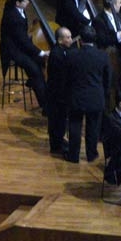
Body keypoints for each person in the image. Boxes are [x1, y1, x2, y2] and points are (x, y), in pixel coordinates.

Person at [65, 25, 111, 163]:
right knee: (93, 127)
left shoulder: (72, 54)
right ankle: (91, 154)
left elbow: (67, 77)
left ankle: (73, 155)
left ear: (80, 39)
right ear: (94, 39)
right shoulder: (103, 55)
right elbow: (107, 79)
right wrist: (104, 93)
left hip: (76, 96)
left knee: (75, 126)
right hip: (95, 96)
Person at [0, 0, 49, 113]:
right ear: (17, 3)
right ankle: (46, 106)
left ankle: (35, 84)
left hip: (20, 46)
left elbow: (24, 41)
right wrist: (41, 52)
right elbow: (23, 41)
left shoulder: (17, 8)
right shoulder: (13, 17)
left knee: (40, 64)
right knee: (35, 70)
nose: (28, 2)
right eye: (26, 1)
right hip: (13, 50)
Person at [46, 27, 74, 155]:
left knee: (61, 121)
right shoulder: (57, 54)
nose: (71, 40)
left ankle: (59, 141)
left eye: (70, 36)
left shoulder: (63, 51)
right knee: (56, 121)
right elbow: (61, 76)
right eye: (67, 37)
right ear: (60, 40)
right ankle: (56, 146)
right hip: (56, 94)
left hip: (60, 93)